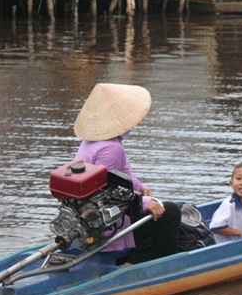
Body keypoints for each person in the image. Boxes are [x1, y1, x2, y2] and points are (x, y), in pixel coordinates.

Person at [73, 83, 181, 265]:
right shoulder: (111, 148)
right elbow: (108, 189)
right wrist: (146, 203)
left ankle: (137, 257)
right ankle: (163, 265)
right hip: (106, 219)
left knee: (156, 210)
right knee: (171, 212)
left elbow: (120, 175)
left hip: (90, 211)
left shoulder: (92, 141)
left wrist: (140, 187)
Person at [209, 162, 242, 243]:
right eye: (238, 179)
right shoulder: (229, 204)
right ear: (231, 183)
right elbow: (215, 227)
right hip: (224, 249)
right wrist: (239, 233)